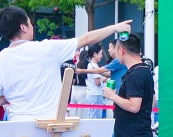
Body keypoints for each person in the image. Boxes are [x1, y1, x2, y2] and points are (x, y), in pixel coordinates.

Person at [0, 9, 131, 122]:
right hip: (49, 125)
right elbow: (87, 39)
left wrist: (15, 94)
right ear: (23, 27)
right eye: (30, 23)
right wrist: (114, 28)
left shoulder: (2, 58)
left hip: (18, 125)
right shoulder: (47, 48)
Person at [81, 44, 106, 119]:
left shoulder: (92, 65)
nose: (102, 56)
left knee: (92, 116)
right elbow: (97, 82)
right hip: (95, 94)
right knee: (94, 117)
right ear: (95, 54)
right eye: (100, 54)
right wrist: (107, 78)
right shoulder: (93, 66)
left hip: (93, 94)